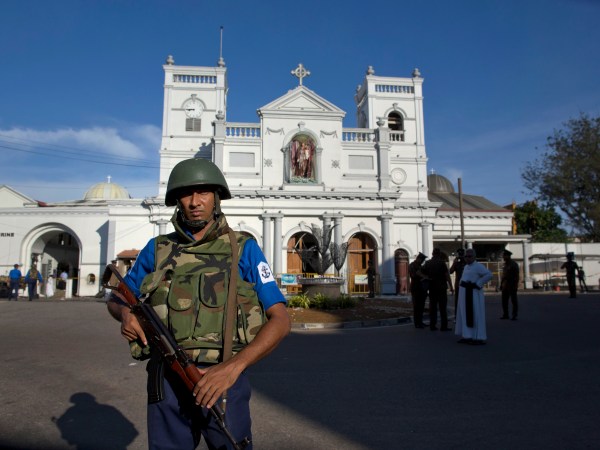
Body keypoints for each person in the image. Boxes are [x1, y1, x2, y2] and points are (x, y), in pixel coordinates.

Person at [106, 158, 291, 450]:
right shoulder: (157, 249)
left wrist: (233, 368)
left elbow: (281, 320)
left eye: (203, 192)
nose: (194, 202)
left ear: (216, 198)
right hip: (166, 377)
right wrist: (126, 314)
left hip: (223, 379)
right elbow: (117, 297)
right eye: (186, 194)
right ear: (177, 201)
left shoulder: (243, 248)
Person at [455, 248, 492, 345]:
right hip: (464, 293)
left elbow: (489, 275)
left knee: (475, 314)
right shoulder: (466, 267)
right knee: (464, 314)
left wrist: (478, 284)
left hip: (473, 293)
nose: (467, 258)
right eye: (466, 256)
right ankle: (467, 336)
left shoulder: (478, 266)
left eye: (470, 256)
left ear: (474, 257)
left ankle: (478, 337)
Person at [421, 248, 453, 331]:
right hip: (442, 288)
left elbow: (421, 272)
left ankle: (432, 325)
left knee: (433, 307)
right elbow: (447, 276)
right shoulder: (442, 263)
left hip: (432, 288)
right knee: (442, 308)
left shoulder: (428, 263)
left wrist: (426, 279)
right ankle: (443, 326)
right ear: (439, 254)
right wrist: (451, 287)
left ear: (432, 254)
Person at [408, 252, 428, 328]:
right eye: (422, 260)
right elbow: (413, 275)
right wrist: (423, 276)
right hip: (416, 287)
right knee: (416, 306)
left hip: (421, 288)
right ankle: (417, 323)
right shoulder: (412, 265)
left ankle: (420, 321)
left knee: (421, 306)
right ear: (418, 259)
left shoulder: (420, 266)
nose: (423, 261)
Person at [500, 250, 520, 320]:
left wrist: (515, 285)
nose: (503, 257)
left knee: (513, 301)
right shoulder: (505, 264)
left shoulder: (513, 264)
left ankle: (514, 315)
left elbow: (516, 276)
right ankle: (506, 314)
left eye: (504, 256)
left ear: (508, 256)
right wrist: (501, 285)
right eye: (503, 256)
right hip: (505, 286)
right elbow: (504, 276)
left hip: (512, 285)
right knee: (504, 301)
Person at [449, 248, 466, 313]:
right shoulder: (457, 263)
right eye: (460, 254)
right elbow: (450, 271)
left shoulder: (467, 263)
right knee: (458, 301)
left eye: (462, 254)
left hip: (466, 284)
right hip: (458, 285)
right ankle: (457, 316)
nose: (461, 256)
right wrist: (454, 263)